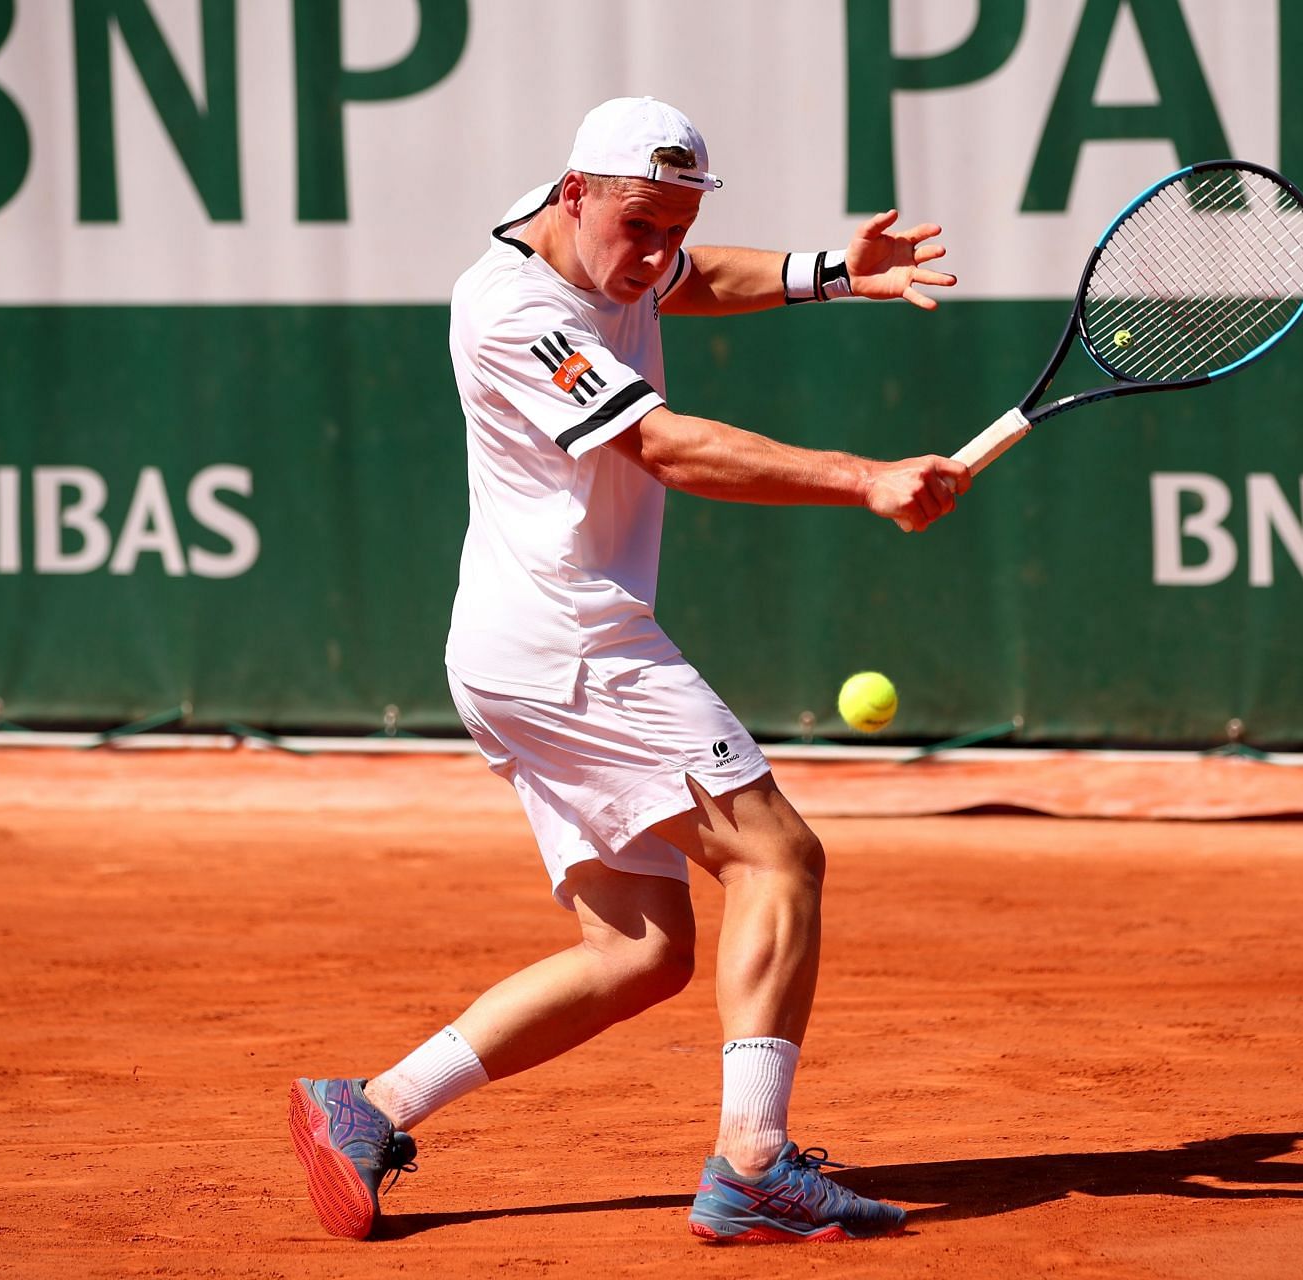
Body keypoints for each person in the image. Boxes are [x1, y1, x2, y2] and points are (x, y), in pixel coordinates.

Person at [288, 95, 969, 1245]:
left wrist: (829, 272)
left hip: (512, 647)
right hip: (571, 641)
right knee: (779, 856)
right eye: (638, 223)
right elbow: (658, 444)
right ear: (572, 194)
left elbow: (690, 278)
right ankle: (752, 1160)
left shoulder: (582, 233)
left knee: (641, 950)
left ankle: (373, 1104)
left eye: (674, 224)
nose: (655, 254)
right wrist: (862, 477)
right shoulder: (516, 313)